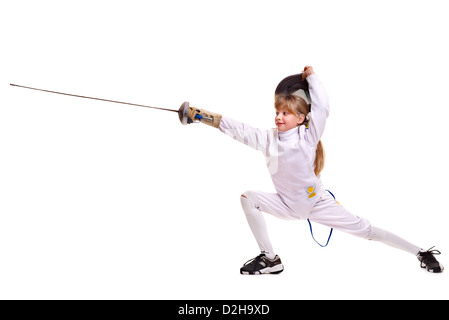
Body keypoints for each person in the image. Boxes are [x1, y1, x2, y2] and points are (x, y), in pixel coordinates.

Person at [186, 66, 443, 274]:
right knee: (248, 199)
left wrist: (314, 79)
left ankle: (421, 252)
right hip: (286, 204)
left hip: (317, 203)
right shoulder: (266, 139)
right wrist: (197, 115)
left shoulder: (307, 137)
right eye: (277, 111)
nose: (279, 116)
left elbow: (323, 108)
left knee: (366, 230)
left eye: (286, 112)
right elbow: (235, 128)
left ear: (300, 118)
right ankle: (271, 259)